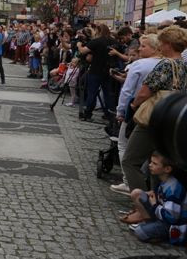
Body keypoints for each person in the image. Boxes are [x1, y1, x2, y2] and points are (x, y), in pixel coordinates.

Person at [123, 26, 187, 191]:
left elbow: (145, 91)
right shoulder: (183, 65)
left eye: (162, 43)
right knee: (157, 165)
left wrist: (133, 104)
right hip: (171, 120)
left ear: (169, 44)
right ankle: (157, 202)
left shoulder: (165, 64)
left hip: (153, 117)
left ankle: (142, 205)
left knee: (130, 161)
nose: (160, 46)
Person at [110, 34, 160, 195]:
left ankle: (129, 182)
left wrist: (122, 110)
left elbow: (127, 90)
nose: (139, 48)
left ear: (155, 47)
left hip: (138, 110)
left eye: (144, 46)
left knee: (125, 145)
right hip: (159, 112)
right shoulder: (167, 64)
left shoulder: (139, 65)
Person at [125, 152, 186, 243]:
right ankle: (149, 224)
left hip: (171, 225)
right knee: (137, 193)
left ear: (167, 169)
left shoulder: (173, 188)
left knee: (140, 232)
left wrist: (155, 205)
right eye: (151, 162)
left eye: (154, 163)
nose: (150, 165)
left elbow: (172, 217)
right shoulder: (163, 180)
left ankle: (163, 236)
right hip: (161, 215)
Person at [77, 24, 117, 121]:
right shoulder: (113, 41)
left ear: (98, 31)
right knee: (107, 93)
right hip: (108, 70)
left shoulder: (96, 41)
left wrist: (79, 45)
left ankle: (88, 113)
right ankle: (109, 114)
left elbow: (83, 51)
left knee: (92, 92)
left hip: (95, 70)